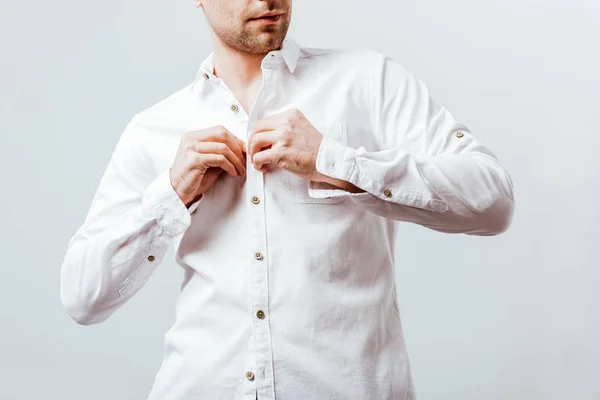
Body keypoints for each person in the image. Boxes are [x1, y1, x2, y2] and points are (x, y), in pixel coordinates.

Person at [60, 0, 515, 399]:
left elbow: (492, 199)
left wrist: (333, 161)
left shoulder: (368, 82)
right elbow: (83, 298)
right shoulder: (156, 128)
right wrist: (172, 195)